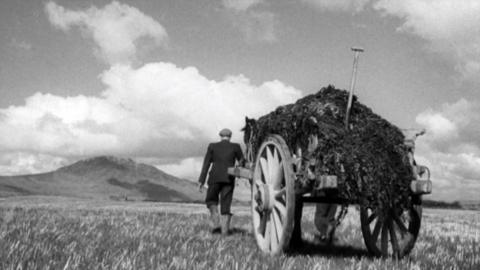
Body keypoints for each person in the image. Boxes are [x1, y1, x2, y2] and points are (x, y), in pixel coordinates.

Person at [198, 128, 244, 235]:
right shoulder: (236, 146)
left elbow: (206, 164)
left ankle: (216, 222)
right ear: (230, 137)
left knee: (211, 200)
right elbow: (242, 161)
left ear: (220, 136)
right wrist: (239, 166)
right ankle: (224, 233)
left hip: (214, 178)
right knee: (226, 204)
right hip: (229, 178)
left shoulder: (212, 146)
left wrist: (201, 180)